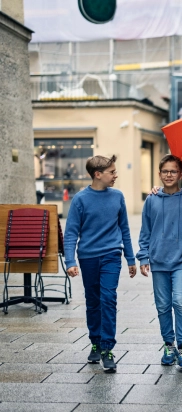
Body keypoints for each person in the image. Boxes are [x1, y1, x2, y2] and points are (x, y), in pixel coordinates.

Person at [64, 155, 136, 373]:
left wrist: (130, 258)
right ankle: (95, 341)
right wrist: (70, 261)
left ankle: (107, 348)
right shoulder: (80, 199)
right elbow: (70, 233)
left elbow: (124, 228)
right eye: (112, 172)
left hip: (112, 255)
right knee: (93, 301)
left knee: (108, 298)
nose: (115, 175)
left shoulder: (118, 196)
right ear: (98, 174)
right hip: (88, 257)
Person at [136, 154, 182, 369]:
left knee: (179, 301)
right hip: (158, 259)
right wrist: (143, 255)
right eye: (165, 171)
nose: (169, 175)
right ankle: (169, 345)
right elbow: (145, 230)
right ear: (159, 174)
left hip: (181, 260)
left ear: (181, 174)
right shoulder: (151, 199)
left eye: (173, 171)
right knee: (162, 306)